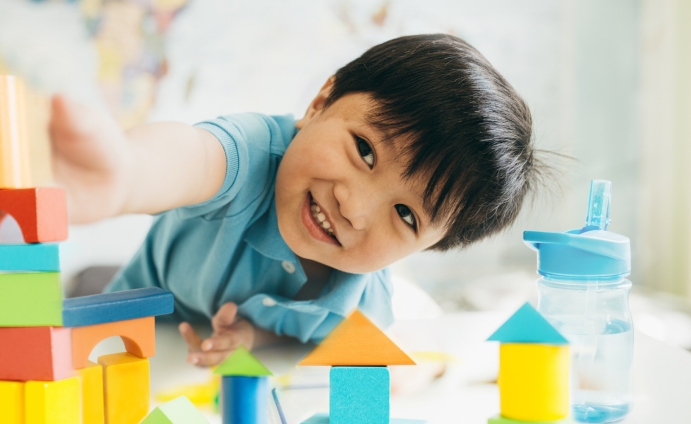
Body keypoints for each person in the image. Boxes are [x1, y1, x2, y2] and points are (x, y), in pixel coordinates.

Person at [50, 34, 541, 367]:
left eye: (407, 215)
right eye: (364, 150)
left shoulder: (362, 308)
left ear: (425, 248)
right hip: (136, 295)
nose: (355, 208)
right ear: (320, 103)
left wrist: (251, 336)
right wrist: (127, 173)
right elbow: (194, 158)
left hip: (198, 337)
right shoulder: (255, 154)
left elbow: (305, 333)